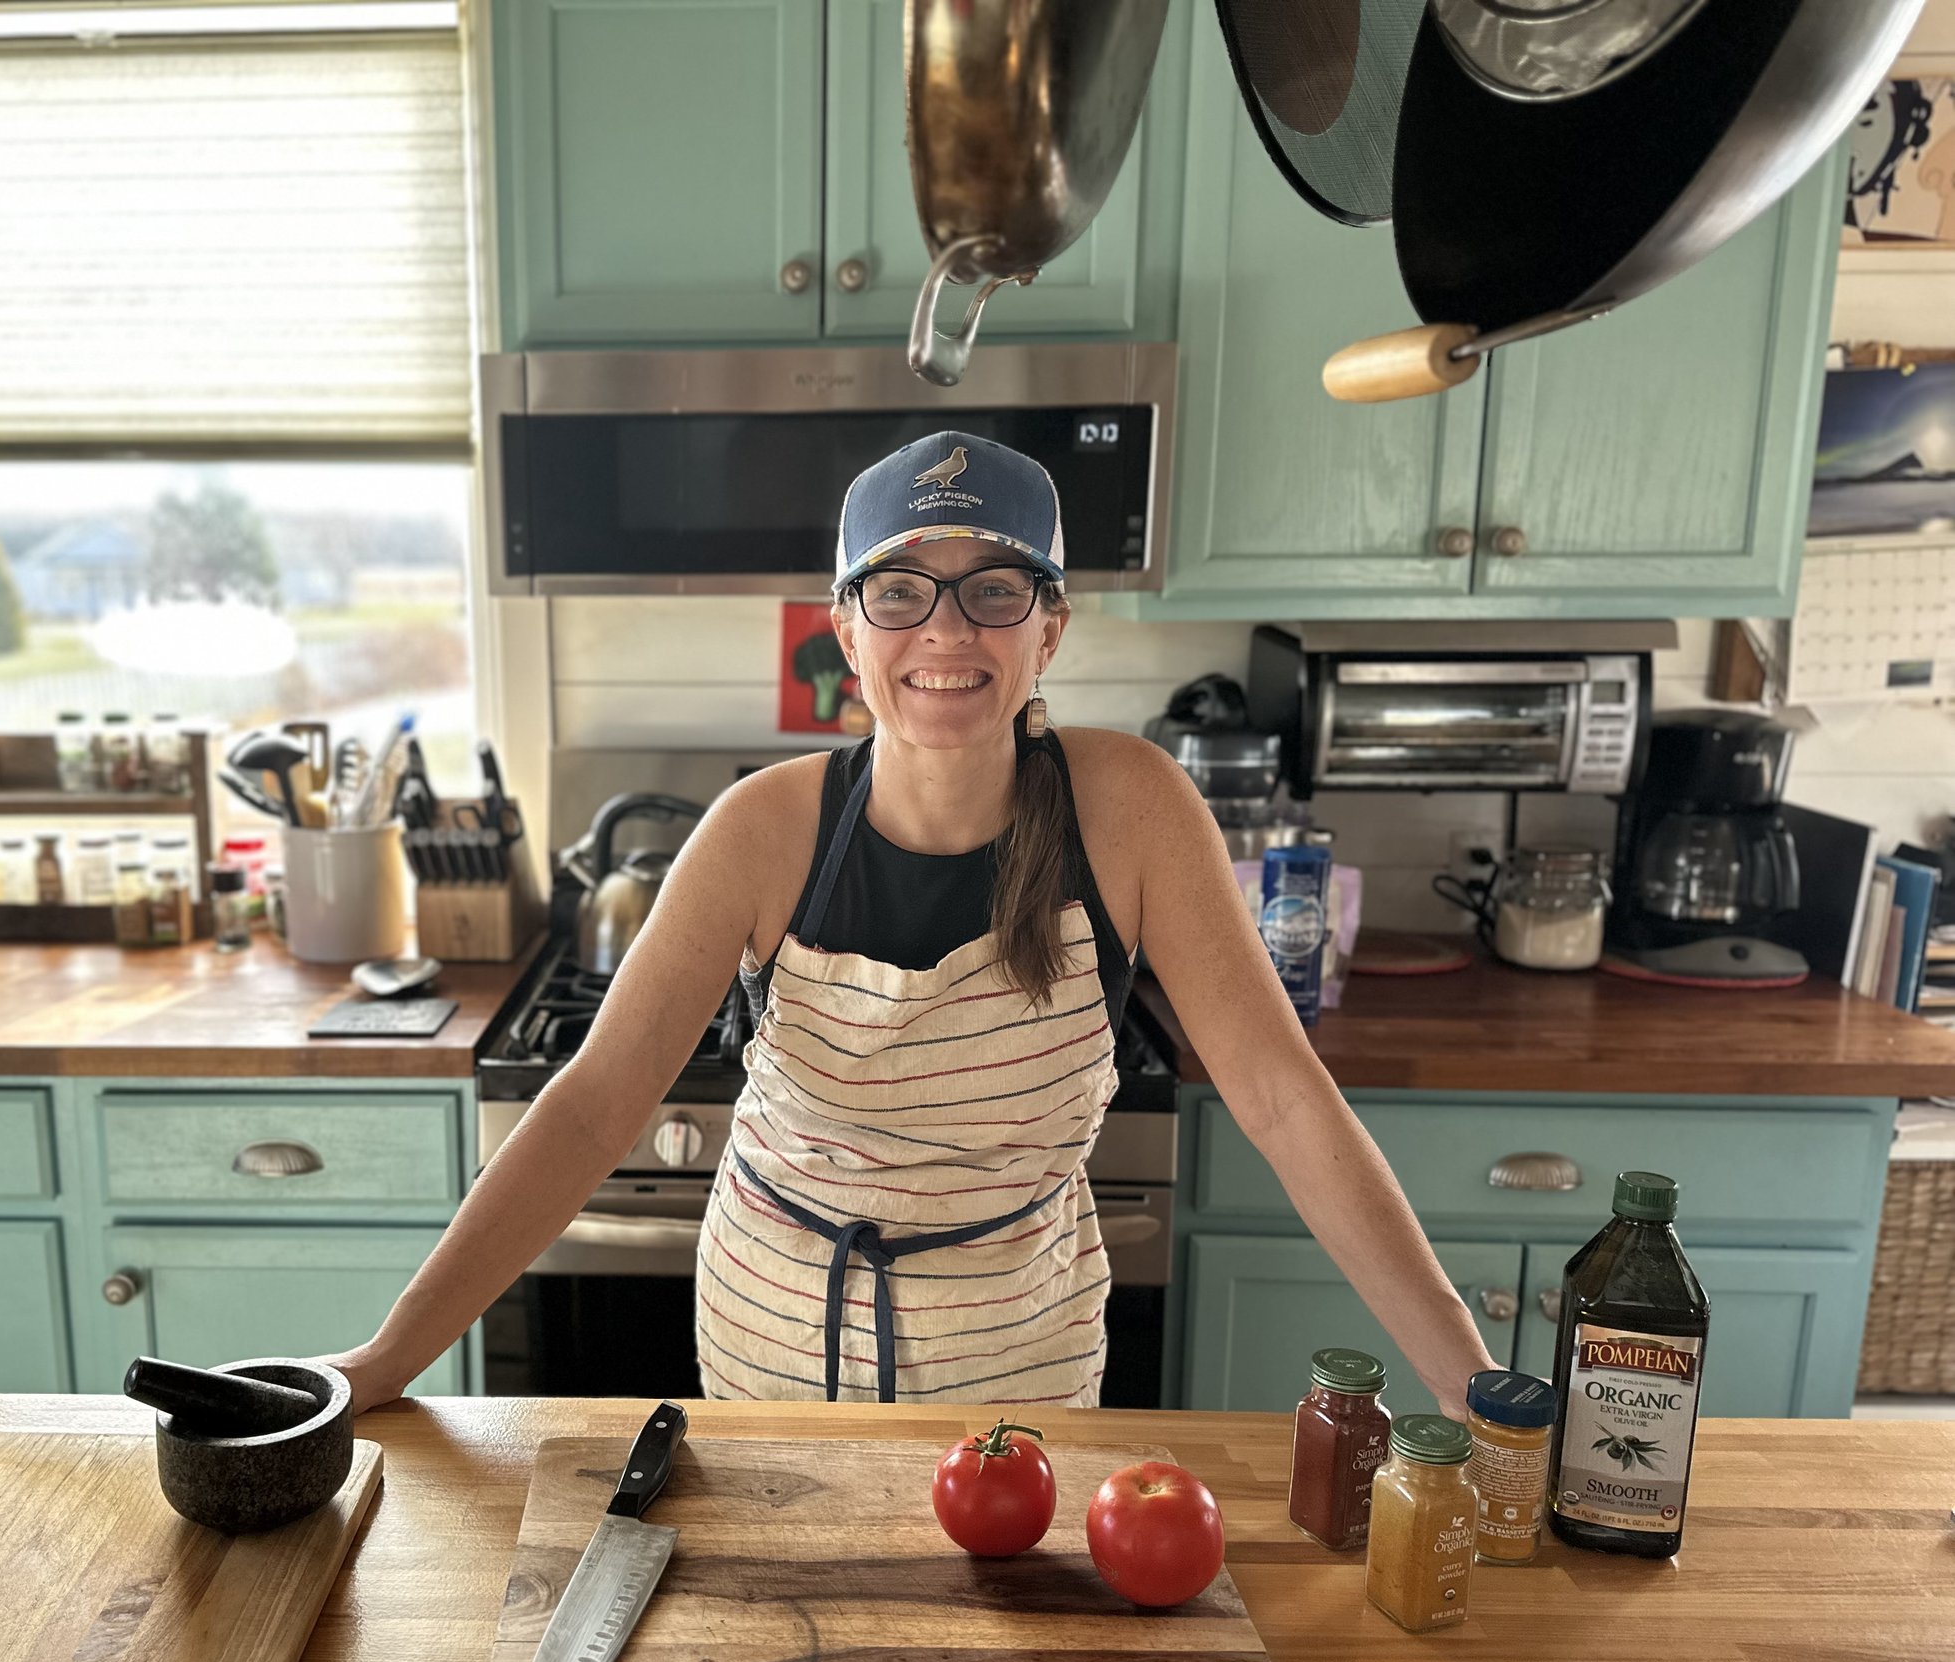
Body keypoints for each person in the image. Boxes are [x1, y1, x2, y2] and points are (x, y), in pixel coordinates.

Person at [324, 430, 1491, 1413]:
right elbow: (589, 1108)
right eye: (899, 592)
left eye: (994, 588)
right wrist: (386, 1362)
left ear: (1048, 630)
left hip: (1019, 1357)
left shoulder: (1131, 810)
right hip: (776, 1336)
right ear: (847, 633)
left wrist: (1466, 1380)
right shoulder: (760, 831)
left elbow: (1285, 1101)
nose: (946, 632)